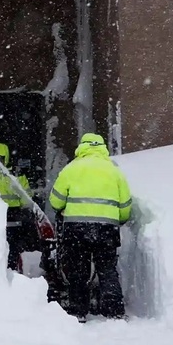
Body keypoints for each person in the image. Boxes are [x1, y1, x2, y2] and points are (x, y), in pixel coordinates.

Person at [49, 132, 132, 321]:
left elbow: (55, 201)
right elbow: (126, 206)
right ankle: (114, 310)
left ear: (82, 147)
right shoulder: (114, 171)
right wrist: (118, 219)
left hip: (76, 228)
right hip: (107, 229)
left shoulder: (72, 169)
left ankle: (79, 310)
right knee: (107, 268)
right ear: (102, 147)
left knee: (78, 269)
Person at [0, 142, 33, 271]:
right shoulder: (16, 176)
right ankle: (11, 270)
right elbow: (27, 199)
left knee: (0, 247)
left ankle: (5, 271)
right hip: (13, 217)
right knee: (11, 248)